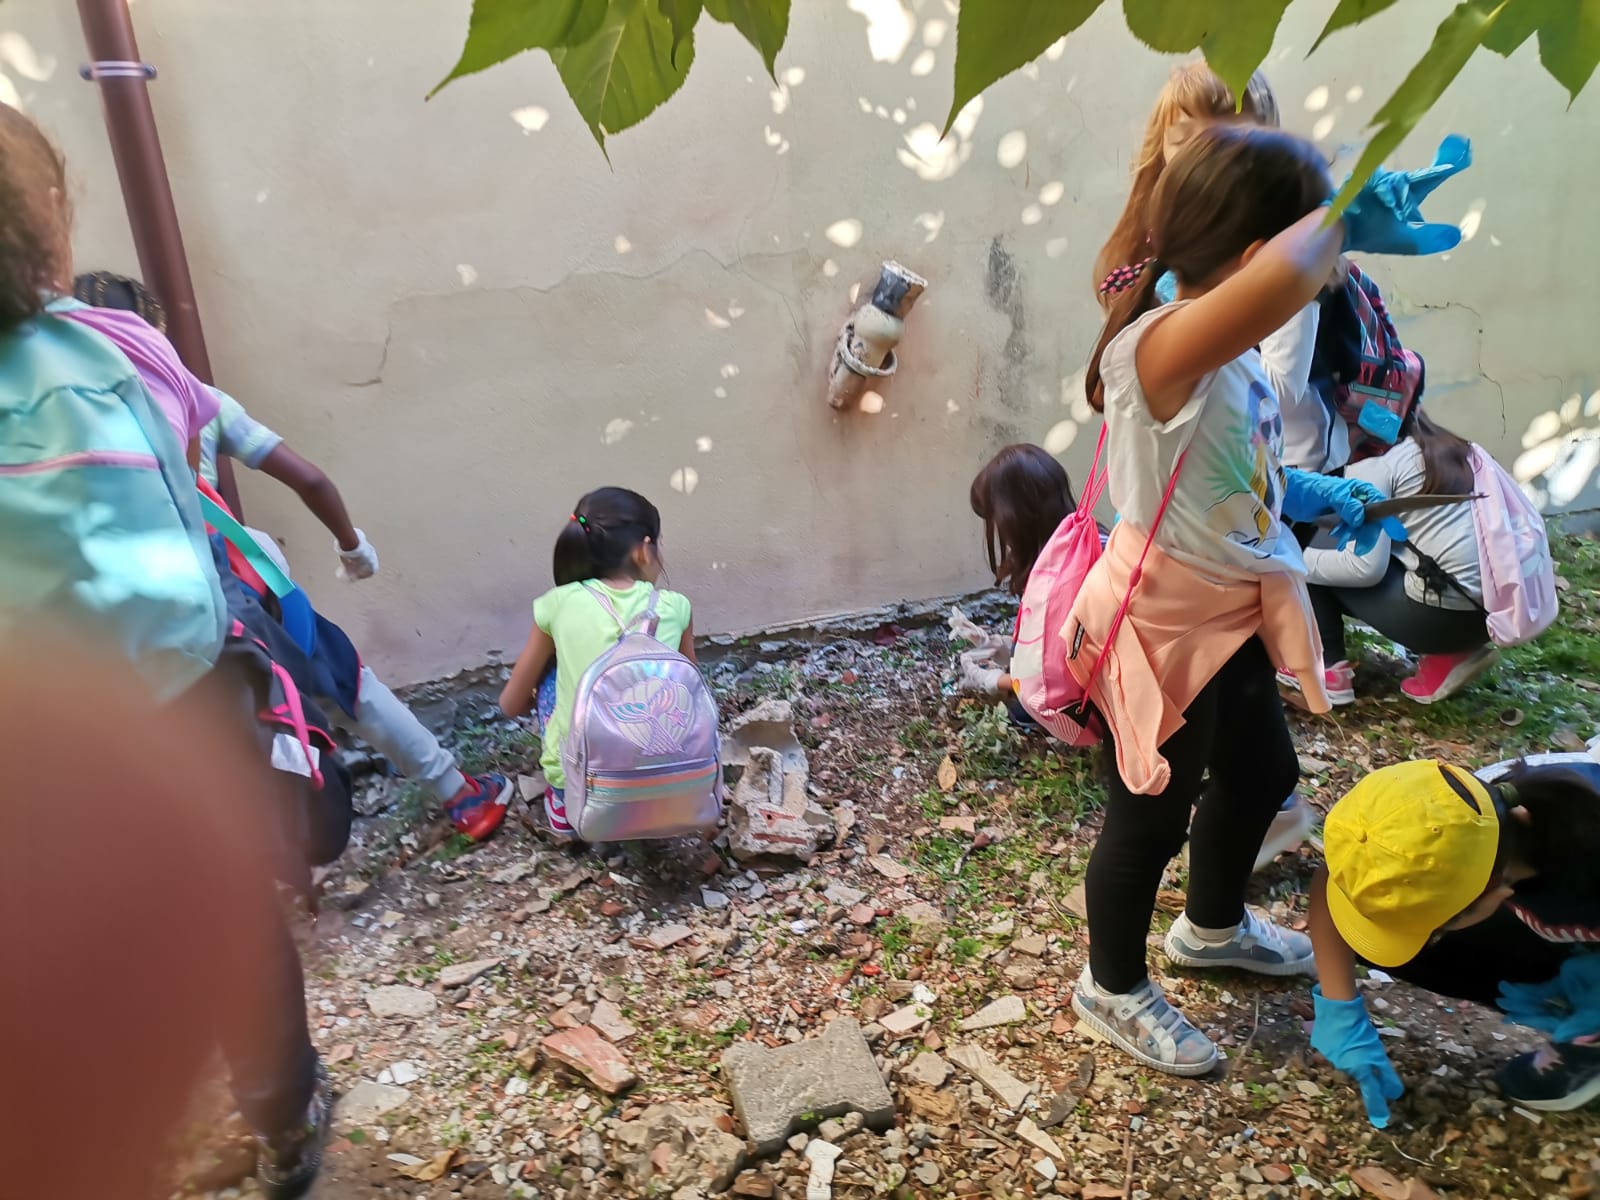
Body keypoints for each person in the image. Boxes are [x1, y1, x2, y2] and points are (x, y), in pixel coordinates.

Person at [1062, 121, 1463, 1076]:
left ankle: (1210, 928)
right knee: (1150, 814)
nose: (1329, 269)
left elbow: (1233, 467)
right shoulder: (1161, 347)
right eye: (1316, 243)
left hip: (1228, 603)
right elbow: (1283, 281)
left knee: (1257, 773)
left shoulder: (1227, 350)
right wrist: (1341, 215)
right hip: (1165, 623)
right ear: (1255, 258)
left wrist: (1315, 494)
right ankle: (1110, 987)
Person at [0, 105, 330, 1197]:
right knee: (228, 914)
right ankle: (281, 1120)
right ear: (49, 221)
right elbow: (201, 470)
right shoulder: (111, 346)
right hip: (176, 686)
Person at [69, 270, 513, 842]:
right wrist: (352, 547)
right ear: (153, 331)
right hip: (241, 591)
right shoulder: (194, 397)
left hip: (143, 626)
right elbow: (310, 479)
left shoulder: (62, 431)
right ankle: (461, 795)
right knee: (351, 687)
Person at [963, 444, 1313, 872]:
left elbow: (1055, 683)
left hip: (1148, 696)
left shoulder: (1065, 570)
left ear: (1011, 519)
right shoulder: (1095, 541)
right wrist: (1007, 648)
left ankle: (1245, 826)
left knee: (1142, 832)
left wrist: (997, 679)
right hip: (1173, 676)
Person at [1308, 752, 1600, 1123]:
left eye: (1443, 926)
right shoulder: (1463, 815)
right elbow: (1337, 881)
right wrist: (1340, 1010)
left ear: (1494, 896)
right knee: (1381, 932)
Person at [500, 487, 695, 843]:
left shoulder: (558, 604)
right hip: (670, 786)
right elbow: (694, 692)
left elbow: (510, 704)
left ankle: (565, 807)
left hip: (587, 791)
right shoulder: (675, 606)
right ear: (643, 549)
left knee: (555, 673)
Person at [1287, 410, 1502, 705]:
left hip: (1445, 619)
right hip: (1493, 613)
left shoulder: (1373, 463)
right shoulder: (1447, 445)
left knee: (1302, 554)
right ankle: (1450, 656)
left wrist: (1287, 560)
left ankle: (1326, 670)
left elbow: (1363, 569)